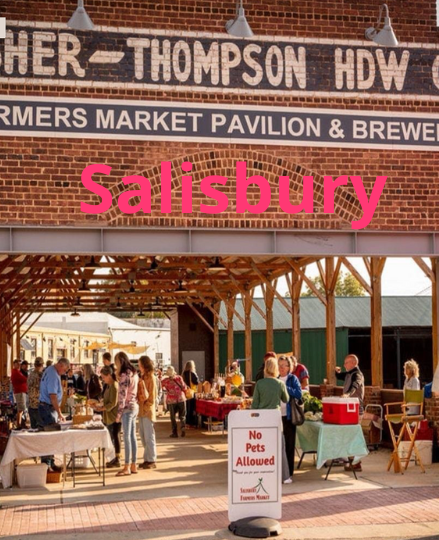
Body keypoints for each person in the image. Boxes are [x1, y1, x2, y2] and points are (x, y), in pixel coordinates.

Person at [252, 358, 290, 483]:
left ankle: (263, 474)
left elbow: (254, 405)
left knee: (261, 448)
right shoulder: (280, 383)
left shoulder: (259, 384)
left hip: (262, 419)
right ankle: (285, 477)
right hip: (275, 418)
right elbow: (286, 399)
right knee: (280, 448)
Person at [38, 357, 70, 471]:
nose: (64, 373)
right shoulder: (53, 375)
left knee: (49, 438)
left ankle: (49, 463)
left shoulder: (50, 370)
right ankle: (47, 465)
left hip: (46, 407)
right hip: (48, 409)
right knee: (49, 438)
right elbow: (53, 397)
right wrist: (59, 413)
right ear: (61, 365)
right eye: (65, 370)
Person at [335, 354, 365, 472]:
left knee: (353, 436)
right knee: (349, 435)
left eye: (346, 363)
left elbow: (355, 385)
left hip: (356, 410)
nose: (344, 365)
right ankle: (351, 460)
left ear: (353, 363)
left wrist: (348, 394)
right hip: (348, 409)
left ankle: (356, 463)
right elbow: (340, 376)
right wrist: (337, 372)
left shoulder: (357, 374)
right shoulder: (349, 374)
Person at [278, 355, 302, 483]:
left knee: (289, 445)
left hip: (289, 416)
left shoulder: (293, 379)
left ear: (289, 367)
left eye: (284, 365)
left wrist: (284, 387)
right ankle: (278, 471)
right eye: (279, 365)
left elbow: (299, 394)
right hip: (276, 415)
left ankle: (289, 473)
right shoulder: (274, 379)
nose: (281, 368)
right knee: (277, 444)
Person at [114, 351, 139, 476]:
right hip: (134, 406)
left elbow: (122, 396)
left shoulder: (124, 375)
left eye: (116, 362)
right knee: (132, 437)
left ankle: (127, 466)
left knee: (127, 438)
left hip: (127, 408)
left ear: (120, 361)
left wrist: (118, 414)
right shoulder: (134, 373)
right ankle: (133, 464)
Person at [93, 366, 121, 469]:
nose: (103, 379)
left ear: (109, 375)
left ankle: (116, 458)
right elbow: (107, 400)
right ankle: (113, 458)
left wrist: (102, 408)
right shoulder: (109, 385)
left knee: (115, 436)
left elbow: (113, 403)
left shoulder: (114, 385)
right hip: (109, 416)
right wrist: (100, 405)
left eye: (103, 377)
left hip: (114, 416)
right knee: (112, 437)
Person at [138, 356, 158, 469]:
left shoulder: (151, 378)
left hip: (147, 411)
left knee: (149, 436)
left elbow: (152, 397)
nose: (139, 366)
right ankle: (147, 458)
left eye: (140, 364)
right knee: (143, 436)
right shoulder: (142, 377)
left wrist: (145, 408)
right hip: (141, 411)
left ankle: (151, 459)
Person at [161, 366, 187, 438]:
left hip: (171, 400)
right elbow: (184, 387)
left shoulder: (165, 381)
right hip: (181, 398)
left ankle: (174, 432)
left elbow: (162, 387)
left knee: (173, 417)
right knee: (182, 415)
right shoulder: (179, 378)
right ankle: (183, 427)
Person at [27, 357, 44, 429]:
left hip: (31, 405)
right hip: (38, 405)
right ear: (42, 365)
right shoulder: (41, 375)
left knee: (33, 428)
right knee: (40, 428)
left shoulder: (30, 374)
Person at [11, 359, 28, 428]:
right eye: (17, 364)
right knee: (20, 409)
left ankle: (20, 424)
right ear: (14, 364)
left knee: (21, 409)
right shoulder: (15, 372)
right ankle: (19, 424)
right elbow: (24, 379)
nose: (19, 365)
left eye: (19, 364)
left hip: (21, 391)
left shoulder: (18, 371)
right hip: (19, 392)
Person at [182, 360, 199, 427]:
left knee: (186, 407)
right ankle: (191, 422)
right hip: (191, 392)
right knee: (192, 407)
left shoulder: (183, 373)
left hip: (185, 392)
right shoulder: (192, 373)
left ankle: (186, 421)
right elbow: (196, 382)